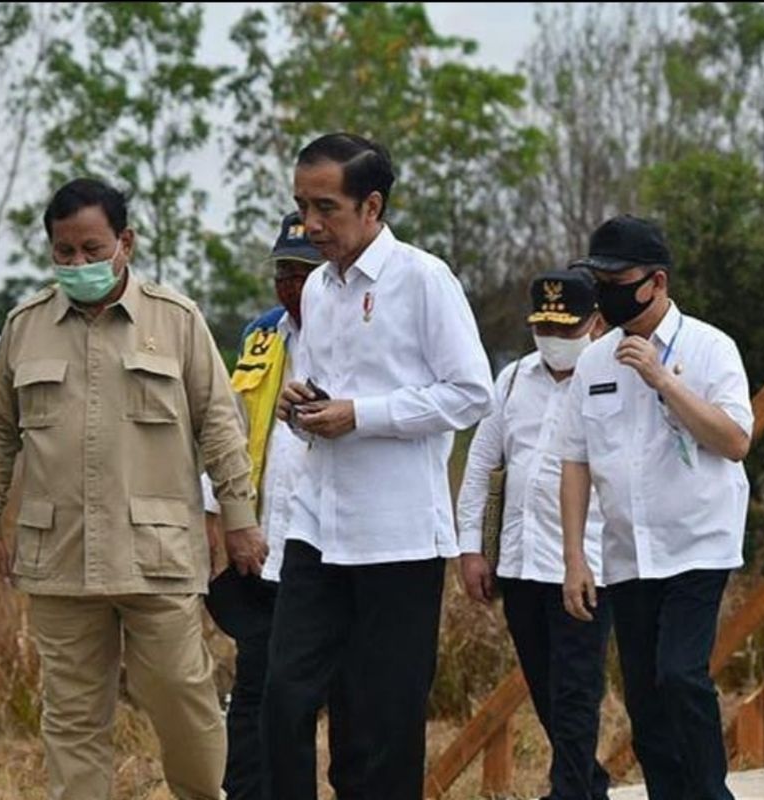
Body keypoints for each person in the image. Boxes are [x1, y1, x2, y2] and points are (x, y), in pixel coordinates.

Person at [0, 177, 265, 800]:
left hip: (155, 553)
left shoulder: (176, 320)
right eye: (64, 252)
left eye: (92, 250)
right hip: (59, 556)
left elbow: (220, 425)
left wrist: (238, 518)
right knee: (72, 716)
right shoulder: (24, 327)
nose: (78, 264)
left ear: (125, 242)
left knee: (183, 695)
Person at [264, 132, 494, 799]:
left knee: (379, 726)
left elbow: (471, 393)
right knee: (282, 696)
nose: (310, 224)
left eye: (325, 208)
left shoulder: (423, 278)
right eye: (303, 205)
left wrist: (361, 414)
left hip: (396, 537)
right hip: (317, 527)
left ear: (372, 206)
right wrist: (297, 404)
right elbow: (317, 386)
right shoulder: (320, 290)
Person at [558, 215, 753, 800]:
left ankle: (710, 792)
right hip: (627, 555)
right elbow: (575, 462)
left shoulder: (710, 348)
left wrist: (665, 382)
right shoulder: (592, 363)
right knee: (644, 694)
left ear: (657, 282)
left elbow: (736, 441)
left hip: (697, 543)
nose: (606, 290)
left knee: (681, 674)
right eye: (599, 278)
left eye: (619, 278)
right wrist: (575, 557)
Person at [202, 211, 365, 798]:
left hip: (340, 549)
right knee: (258, 693)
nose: (291, 286)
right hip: (267, 548)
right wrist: (219, 523)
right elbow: (229, 427)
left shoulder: (361, 331)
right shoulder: (262, 335)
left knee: (346, 696)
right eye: (282, 274)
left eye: (304, 272)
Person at [457, 269, 611, 800]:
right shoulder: (515, 378)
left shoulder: (612, 374)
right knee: (546, 688)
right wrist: (471, 548)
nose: (554, 340)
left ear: (595, 322)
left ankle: (568, 791)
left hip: (586, 563)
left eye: (566, 329)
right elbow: (481, 463)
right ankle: (589, 784)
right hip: (520, 563)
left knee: (576, 689)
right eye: (544, 327)